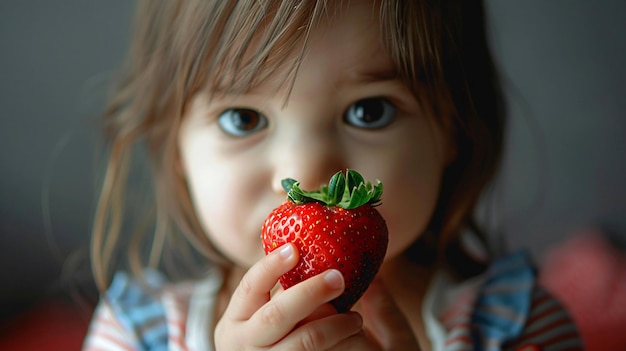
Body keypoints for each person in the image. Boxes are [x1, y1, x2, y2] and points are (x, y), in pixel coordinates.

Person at [83, 0, 583, 350]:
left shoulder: (517, 327)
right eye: (244, 119)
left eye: (369, 111)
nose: (306, 173)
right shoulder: (136, 335)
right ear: (175, 149)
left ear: (452, 128)